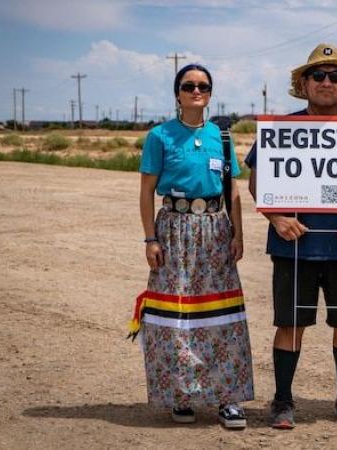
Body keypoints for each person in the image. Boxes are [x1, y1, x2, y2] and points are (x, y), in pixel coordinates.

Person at [245, 43, 337, 429]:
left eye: (334, 76)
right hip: (294, 246)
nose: (326, 82)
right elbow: (259, 182)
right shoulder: (280, 131)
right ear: (304, 84)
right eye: (318, 75)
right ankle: (283, 401)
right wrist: (275, 217)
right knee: (290, 324)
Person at [128, 63, 253, 429]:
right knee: (176, 315)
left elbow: (232, 190)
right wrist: (150, 238)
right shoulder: (160, 136)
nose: (196, 91)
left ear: (211, 93)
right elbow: (147, 191)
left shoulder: (222, 137)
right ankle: (180, 396)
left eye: (203, 85)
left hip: (216, 229)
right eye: (188, 85)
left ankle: (227, 399)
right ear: (177, 93)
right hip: (174, 231)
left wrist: (238, 235)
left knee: (222, 314)